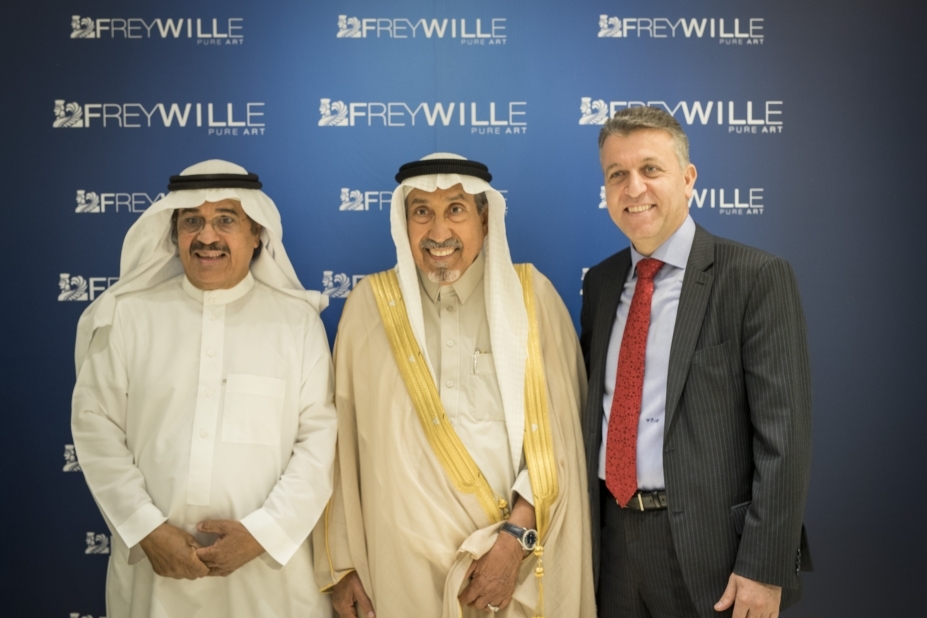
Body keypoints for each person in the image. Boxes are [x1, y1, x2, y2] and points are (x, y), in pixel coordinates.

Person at [315, 154, 595, 618]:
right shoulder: (369, 306)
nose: (438, 231)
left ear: (485, 220)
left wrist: (514, 540)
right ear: (404, 223)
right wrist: (343, 567)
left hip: (514, 565)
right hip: (399, 572)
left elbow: (562, 442)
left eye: (456, 209)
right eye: (422, 211)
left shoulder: (532, 298)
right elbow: (340, 450)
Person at [71, 159, 337, 618]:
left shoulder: (297, 324)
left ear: (257, 234)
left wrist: (262, 534)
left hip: (268, 578)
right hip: (155, 573)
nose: (206, 237)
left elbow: (319, 443)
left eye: (225, 220)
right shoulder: (129, 317)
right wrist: (147, 529)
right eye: (192, 221)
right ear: (174, 233)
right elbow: (96, 428)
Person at [580, 107, 813, 618]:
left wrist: (765, 566)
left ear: (687, 179)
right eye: (617, 174)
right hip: (611, 546)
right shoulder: (600, 283)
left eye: (650, 169)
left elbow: (785, 438)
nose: (633, 188)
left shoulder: (754, 277)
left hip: (715, 556)